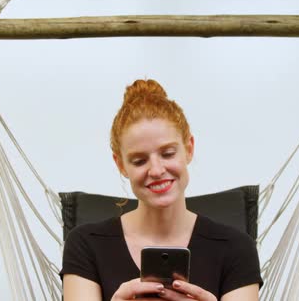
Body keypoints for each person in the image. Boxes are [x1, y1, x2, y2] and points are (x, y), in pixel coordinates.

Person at [60, 79, 263, 300]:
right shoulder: (85, 244)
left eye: (167, 154)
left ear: (189, 148)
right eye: (139, 161)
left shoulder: (237, 248)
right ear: (120, 165)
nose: (156, 170)